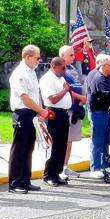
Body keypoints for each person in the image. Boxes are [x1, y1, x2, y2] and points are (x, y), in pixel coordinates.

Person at [8, 45, 50, 193]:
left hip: (32, 113)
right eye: (37, 58)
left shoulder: (31, 72)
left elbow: (35, 95)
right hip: (23, 113)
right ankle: (15, 183)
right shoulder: (19, 73)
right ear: (27, 56)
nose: (39, 60)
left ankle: (25, 180)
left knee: (29, 147)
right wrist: (41, 110)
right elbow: (25, 98)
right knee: (19, 148)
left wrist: (39, 111)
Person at [39, 57, 73, 187]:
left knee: (61, 145)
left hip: (63, 114)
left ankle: (57, 172)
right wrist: (65, 90)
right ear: (54, 67)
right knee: (53, 145)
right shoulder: (47, 79)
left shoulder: (60, 78)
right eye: (63, 67)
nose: (65, 70)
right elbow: (52, 99)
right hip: (53, 113)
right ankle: (48, 174)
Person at [83, 54, 110, 179]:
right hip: (98, 112)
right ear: (103, 65)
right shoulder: (97, 77)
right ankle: (95, 167)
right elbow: (107, 93)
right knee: (97, 140)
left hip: (107, 111)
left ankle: (104, 164)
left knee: (106, 140)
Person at [59, 45, 86, 180]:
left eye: (73, 54)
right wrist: (80, 97)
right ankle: (59, 168)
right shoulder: (60, 70)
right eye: (70, 55)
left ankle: (65, 166)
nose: (73, 57)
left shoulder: (72, 68)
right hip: (67, 109)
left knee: (70, 140)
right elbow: (67, 89)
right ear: (62, 56)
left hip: (76, 109)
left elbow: (79, 84)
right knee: (63, 139)